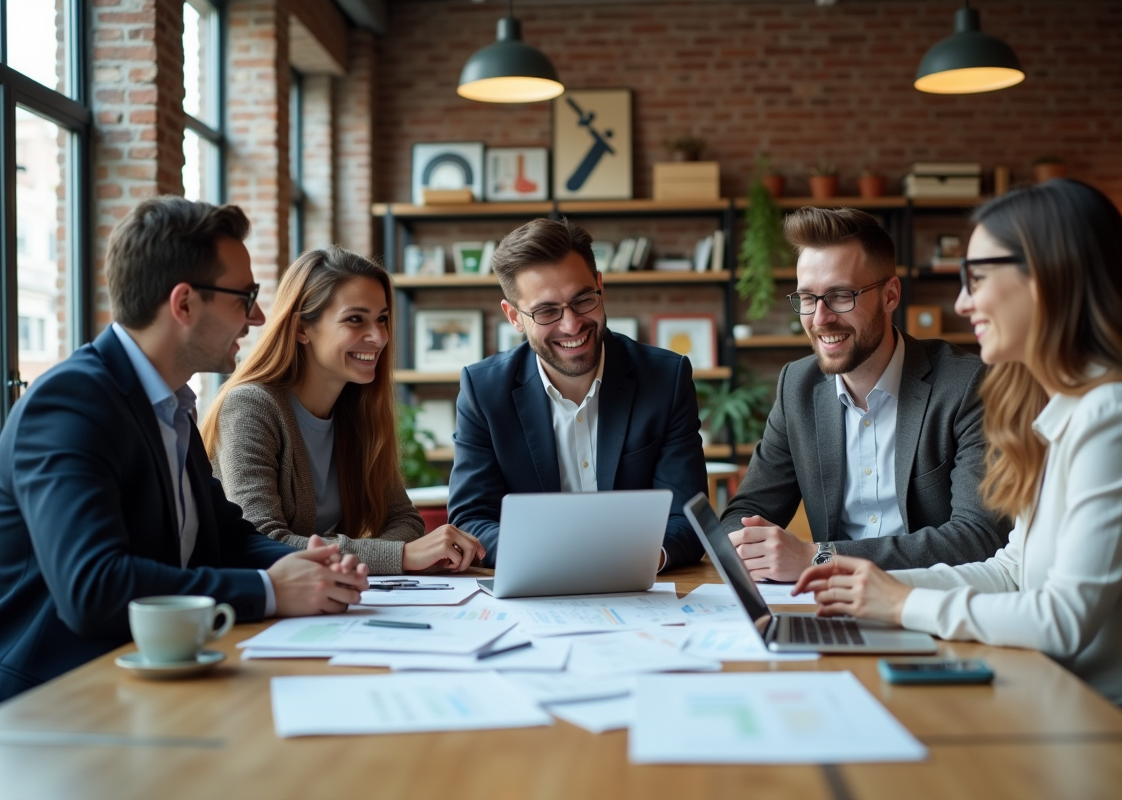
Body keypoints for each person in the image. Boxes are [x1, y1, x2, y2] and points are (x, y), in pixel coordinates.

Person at [795, 180, 1122, 704]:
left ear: (1047, 279)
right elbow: (1012, 571)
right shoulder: (1065, 410)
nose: (963, 303)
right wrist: (873, 586)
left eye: (977, 278)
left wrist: (900, 604)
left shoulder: (1119, 415)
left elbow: (1062, 617)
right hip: (1062, 701)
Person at [0, 197, 369, 702]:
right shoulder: (71, 404)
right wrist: (269, 590)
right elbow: (93, 587)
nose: (259, 316)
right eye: (245, 296)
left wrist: (306, 559)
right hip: (59, 698)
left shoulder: (171, 404)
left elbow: (226, 537)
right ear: (184, 304)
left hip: (157, 674)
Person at [722, 207, 1008, 580]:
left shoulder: (967, 386)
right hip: (832, 608)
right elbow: (742, 513)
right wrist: (748, 544)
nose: (821, 319)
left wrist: (819, 557)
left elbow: (979, 537)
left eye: (840, 295)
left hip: (927, 604)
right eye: (808, 298)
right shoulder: (797, 386)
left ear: (890, 295)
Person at [201, 246, 484, 574]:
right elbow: (261, 541)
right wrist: (400, 556)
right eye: (355, 320)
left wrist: (398, 552)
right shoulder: (251, 407)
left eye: (382, 319)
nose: (378, 337)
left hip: (320, 598)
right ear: (301, 329)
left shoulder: (358, 411)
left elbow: (403, 520)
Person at [448, 217, 708, 569]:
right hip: (533, 586)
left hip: (640, 586)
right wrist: (561, 558)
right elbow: (471, 519)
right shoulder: (483, 391)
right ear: (514, 316)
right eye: (546, 311)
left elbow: (689, 516)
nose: (571, 325)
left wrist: (634, 558)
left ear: (600, 286)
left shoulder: (666, 378)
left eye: (583, 300)